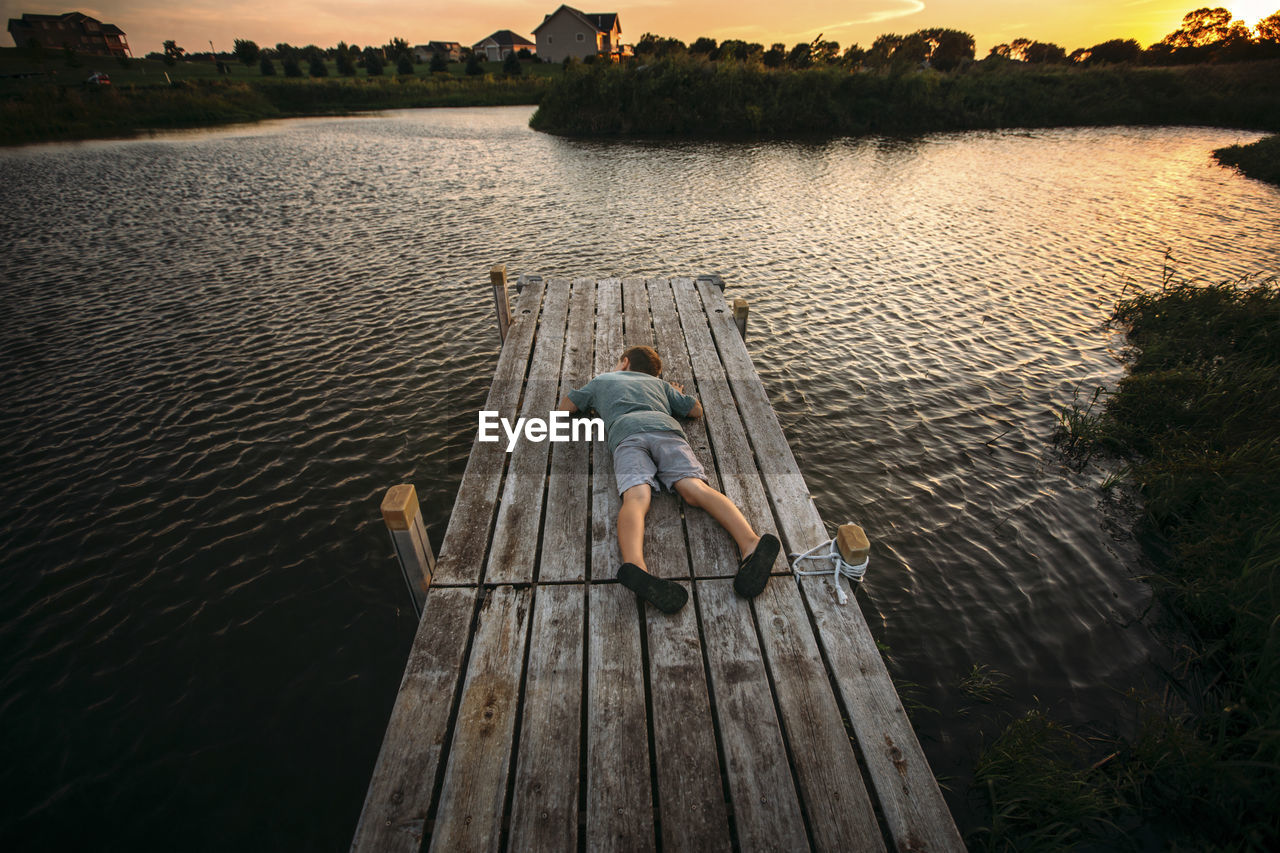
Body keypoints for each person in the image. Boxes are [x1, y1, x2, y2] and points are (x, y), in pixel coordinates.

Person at [558, 344, 780, 613]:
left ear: (624, 362)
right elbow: (696, 411)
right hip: (667, 431)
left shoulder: (603, 380)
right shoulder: (660, 385)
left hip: (627, 436)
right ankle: (750, 542)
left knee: (637, 496)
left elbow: (564, 409)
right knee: (694, 489)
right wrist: (675, 393)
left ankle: (636, 565)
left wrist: (594, 404)